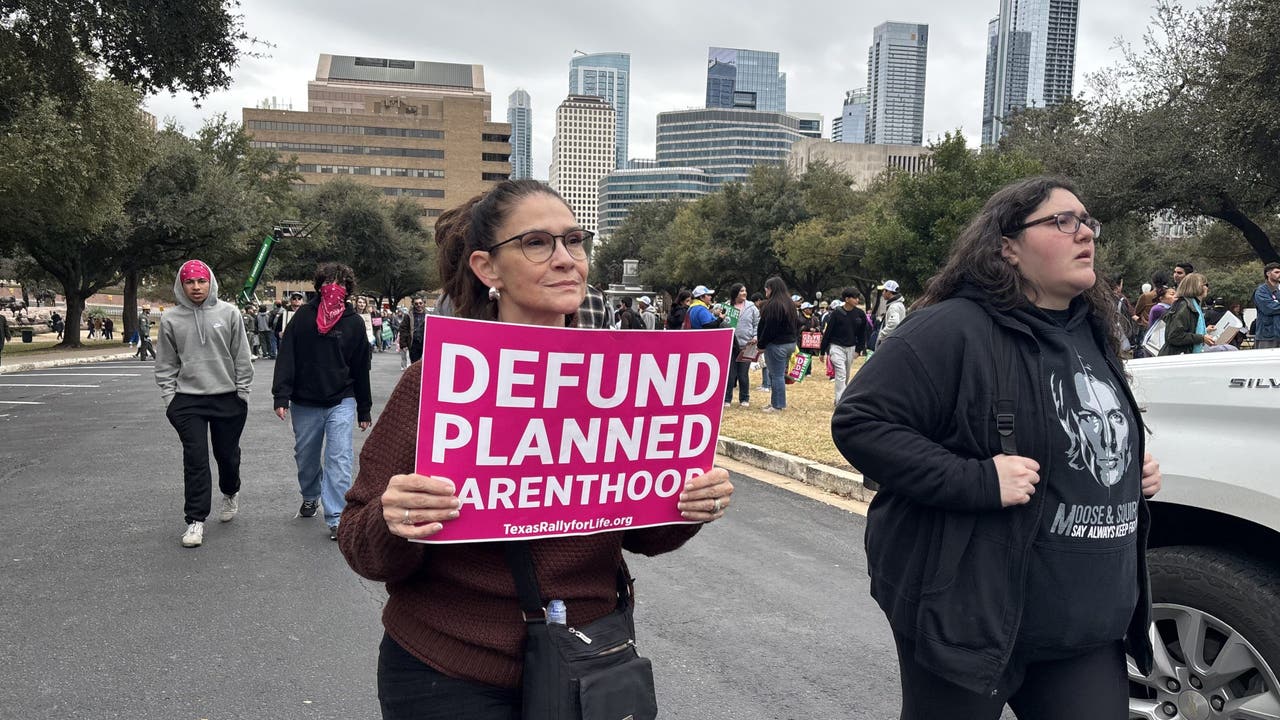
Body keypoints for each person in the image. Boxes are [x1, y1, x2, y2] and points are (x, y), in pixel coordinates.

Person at [336, 179, 734, 719]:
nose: (567, 259)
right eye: (538, 243)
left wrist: (689, 503)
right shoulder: (432, 383)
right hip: (446, 675)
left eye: (575, 240)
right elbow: (361, 543)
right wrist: (395, 519)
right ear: (487, 268)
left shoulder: (627, 382)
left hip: (590, 665)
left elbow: (644, 535)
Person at [832, 176, 1162, 720]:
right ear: (1006, 246)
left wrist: (1129, 466)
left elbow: (1073, 430)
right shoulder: (949, 329)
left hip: (1083, 625)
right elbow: (861, 422)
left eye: (1088, 222)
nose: (1085, 234)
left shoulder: (1093, 332)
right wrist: (977, 480)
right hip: (968, 617)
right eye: (1063, 221)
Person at [154, 259, 254, 549]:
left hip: (227, 397)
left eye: (201, 281)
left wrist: (242, 392)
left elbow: (242, 357)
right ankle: (195, 520)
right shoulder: (171, 319)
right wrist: (170, 398)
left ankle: (230, 491)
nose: (196, 287)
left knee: (227, 456)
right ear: (181, 285)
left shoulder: (229, 313)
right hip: (188, 401)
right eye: (189, 282)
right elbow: (166, 362)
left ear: (210, 282)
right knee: (195, 459)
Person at [273, 263, 373, 542]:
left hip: (341, 399)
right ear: (318, 286)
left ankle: (336, 516)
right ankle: (310, 495)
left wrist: (363, 408)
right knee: (306, 456)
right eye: (329, 282)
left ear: (348, 290)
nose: (334, 288)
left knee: (339, 456)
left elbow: (360, 367)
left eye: (340, 284)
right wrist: (281, 395)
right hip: (305, 400)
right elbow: (287, 357)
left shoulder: (353, 323)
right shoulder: (303, 317)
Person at [820, 287, 869, 405]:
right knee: (840, 372)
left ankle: (840, 395)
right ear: (847, 299)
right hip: (836, 346)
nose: (857, 300)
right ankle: (840, 402)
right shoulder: (836, 313)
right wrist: (822, 351)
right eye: (855, 298)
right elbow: (828, 332)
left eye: (858, 298)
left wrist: (859, 349)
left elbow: (862, 334)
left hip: (851, 347)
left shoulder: (860, 314)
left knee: (846, 374)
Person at [757, 276, 798, 413]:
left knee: (777, 375)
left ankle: (777, 405)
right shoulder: (790, 303)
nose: (765, 291)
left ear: (771, 289)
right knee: (777, 374)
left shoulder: (773, 305)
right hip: (790, 343)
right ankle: (775, 402)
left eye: (767, 288)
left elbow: (769, 328)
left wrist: (761, 344)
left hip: (777, 345)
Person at [1160, 273, 1216, 355]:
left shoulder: (1192, 305)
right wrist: (1201, 338)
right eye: (1205, 285)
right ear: (1197, 286)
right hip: (1178, 358)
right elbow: (1175, 336)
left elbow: (1187, 329)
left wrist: (1205, 331)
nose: (1207, 288)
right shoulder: (1185, 306)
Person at [723, 283, 757, 408]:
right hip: (730, 344)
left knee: (743, 374)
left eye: (745, 291)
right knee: (730, 374)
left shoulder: (751, 307)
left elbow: (757, 323)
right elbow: (722, 323)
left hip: (747, 345)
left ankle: (744, 398)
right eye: (741, 291)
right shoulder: (726, 306)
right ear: (735, 293)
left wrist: (755, 336)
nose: (744, 293)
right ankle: (727, 399)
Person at [1252, 262, 1280, 349]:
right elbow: (1269, 308)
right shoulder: (1261, 291)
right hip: (1267, 335)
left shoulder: (1278, 290)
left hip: (1278, 333)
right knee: (1267, 361)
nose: (1279, 274)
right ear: (1268, 274)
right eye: (1276, 272)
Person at [399, 296, 428, 365]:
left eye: (420, 303)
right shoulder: (408, 316)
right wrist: (403, 344)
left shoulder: (429, 315)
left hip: (425, 344)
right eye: (416, 304)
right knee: (414, 365)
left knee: (425, 364)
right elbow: (403, 330)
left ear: (423, 303)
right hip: (413, 344)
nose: (419, 305)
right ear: (413, 304)